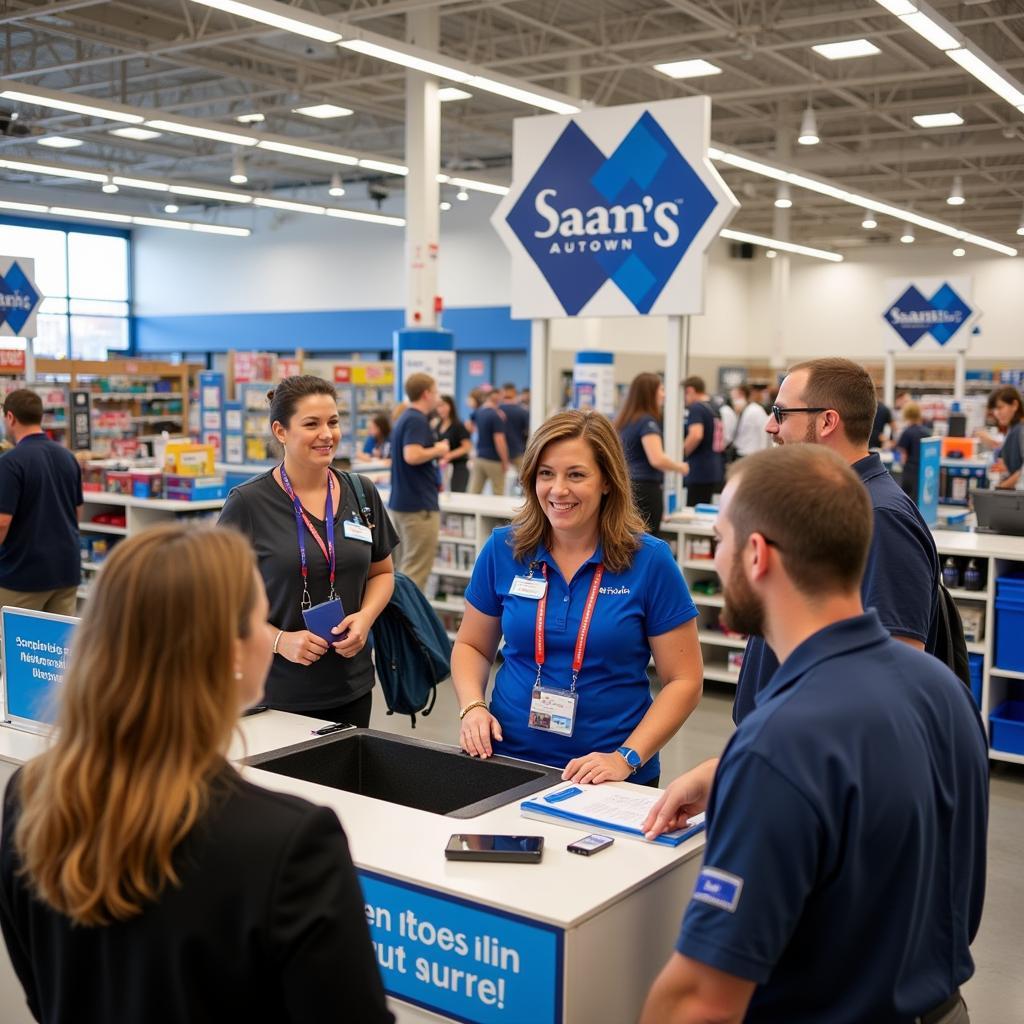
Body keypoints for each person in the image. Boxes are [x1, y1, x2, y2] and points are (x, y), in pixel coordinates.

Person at [640, 446, 988, 1024]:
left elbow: (702, 999)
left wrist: (754, 774)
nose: (716, 558)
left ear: (756, 555)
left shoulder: (780, 743)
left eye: (720, 540)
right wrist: (729, 773)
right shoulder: (942, 689)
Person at [0, 524, 393, 1024]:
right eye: (260, 617)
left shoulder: (30, 795)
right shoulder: (291, 845)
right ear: (229, 651)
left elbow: (42, 990)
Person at [452, 410, 703, 787]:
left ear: (606, 481)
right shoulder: (504, 550)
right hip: (506, 760)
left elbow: (684, 679)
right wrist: (472, 707)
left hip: (609, 776)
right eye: (546, 473)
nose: (558, 490)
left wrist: (626, 757)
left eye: (576, 474)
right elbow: (472, 644)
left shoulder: (649, 561)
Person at [731, 357, 940, 724]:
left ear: (827, 421)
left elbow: (896, 669)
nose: (769, 426)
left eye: (781, 413)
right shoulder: (831, 502)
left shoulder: (880, 517)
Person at [218, 375, 398, 725]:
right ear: (280, 431)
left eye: (333, 422)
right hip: (274, 694)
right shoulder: (248, 504)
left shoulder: (361, 493)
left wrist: (365, 618)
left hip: (352, 687)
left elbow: (383, 572)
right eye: (311, 424)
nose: (327, 434)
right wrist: (279, 640)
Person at [0, 389, 82, 615]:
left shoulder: (10, 463)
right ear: (41, 416)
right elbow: (76, 513)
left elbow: (2, 522)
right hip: (66, 569)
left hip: (23, 573)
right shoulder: (67, 457)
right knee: (58, 645)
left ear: (10, 417)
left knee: (14, 644)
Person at [389, 372, 449, 589]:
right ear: (426, 394)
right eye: (435, 392)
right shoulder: (416, 419)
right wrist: (439, 449)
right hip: (418, 507)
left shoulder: (404, 418)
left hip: (404, 503)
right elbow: (412, 455)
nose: (438, 398)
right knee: (415, 573)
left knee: (404, 570)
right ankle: (411, 622)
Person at [613, 372, 688, 533]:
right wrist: (680, 467)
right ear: (649, 393)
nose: (664, 394)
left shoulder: (623, 421)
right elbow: (657, 459)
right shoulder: (647, 422)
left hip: (628, 487)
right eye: (661, 389)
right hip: (646, 490)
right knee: (648, 540)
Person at [682, 376, 725, 506]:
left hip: (699, 470)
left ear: (690, 390)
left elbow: (696, 435)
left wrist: (681, 454)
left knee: (694, 511)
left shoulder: (696, 408)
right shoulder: (714, 407)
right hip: (713, 468)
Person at [469, 388, 511, 495]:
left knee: (474, 492)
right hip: (494, 460)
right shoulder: (496, 416)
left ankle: (470, 512)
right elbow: (499, 440)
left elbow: (470, 428)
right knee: (498, 492)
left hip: (479, 458)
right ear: (498, 399)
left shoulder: (478, 412)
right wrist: (505, 461)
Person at [434, 394, 472, 492]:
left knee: (457, 496)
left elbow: (467, 447)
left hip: (458, 468)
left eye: (443, 405)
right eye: (438, 406)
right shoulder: (437, 425)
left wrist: (449, 455)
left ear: (450, 406)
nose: (440, 409)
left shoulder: (458, 425)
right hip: (442, 468)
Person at [989, 385, 1023, 489]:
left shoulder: (1021, 429)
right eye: (994, 409)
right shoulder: (1012, 430)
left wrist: (1001, 488)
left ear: (1015, 405)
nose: (997, 413)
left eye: (1000, 407)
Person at [894, 401, 930, 499]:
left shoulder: (907, 432)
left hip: (910, 471)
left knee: (908, 498)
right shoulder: (926, 432)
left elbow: (903, 454)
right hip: (924, 470)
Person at [726, 384, 770, 459]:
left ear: (743, 395)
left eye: (735, 397)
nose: (733, 401)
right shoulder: (742, 411)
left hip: (752, 454)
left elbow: (765, 432)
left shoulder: (755, 410)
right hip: (741, 453)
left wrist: (764, 455)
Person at [499, 382, 530, 472]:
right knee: (524, 480)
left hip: (498, 453)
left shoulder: (497, 410)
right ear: (515, 393)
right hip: (518, 450)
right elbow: (527, 431)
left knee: (499, 483)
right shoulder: (523, 411)